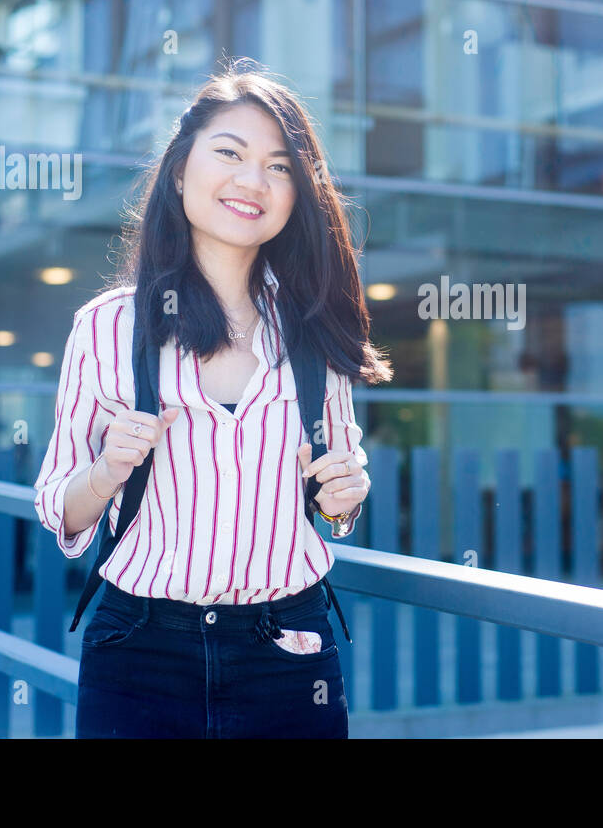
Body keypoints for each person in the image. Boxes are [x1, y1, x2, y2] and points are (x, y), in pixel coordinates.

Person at [33, 61, 393, 737]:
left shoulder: (319, 328)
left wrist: (345, 502)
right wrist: (108, 470)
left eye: (280, 166)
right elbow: (59, 503)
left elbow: (334, 500)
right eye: (229, 152)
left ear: (298, 194)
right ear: (179, 170)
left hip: (289, 650)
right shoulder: (110, 327)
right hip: (139, 647)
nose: (252, 180)